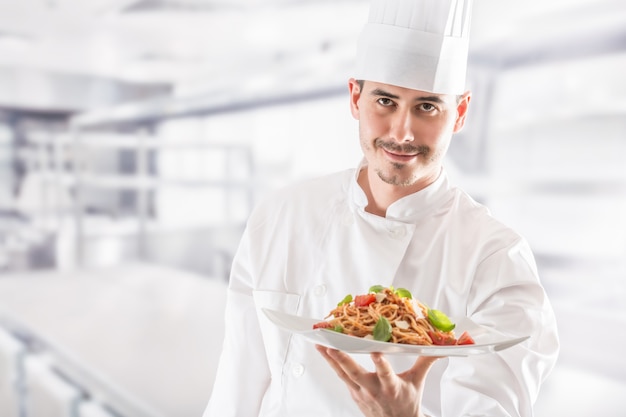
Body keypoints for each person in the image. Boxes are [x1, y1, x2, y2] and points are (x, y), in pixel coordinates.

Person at [203, 0, 559, 416]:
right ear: (355, 97)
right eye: (385, 101)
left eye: (427, 106)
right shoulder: (282, 215)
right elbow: (236, 386)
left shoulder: (497, 258)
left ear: (459, 113)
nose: (402, 132)